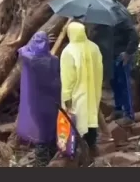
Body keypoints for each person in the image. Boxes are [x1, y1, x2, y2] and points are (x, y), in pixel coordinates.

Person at [89, 0, 140, 126]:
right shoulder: (108, 13)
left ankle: (129, 115)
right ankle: (118, 110)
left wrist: (128, 53)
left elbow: (134, 35)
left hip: (121, 55)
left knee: (124, 84)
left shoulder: (120, 13)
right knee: (115, 84)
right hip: (110, 55)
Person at [16, 31, 61, 167]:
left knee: (41, 132)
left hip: (38, 102)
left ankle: (42, 162)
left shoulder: (32, 60)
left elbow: (21, 50)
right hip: (54, 100)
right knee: (52, 129)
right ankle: (54, 158)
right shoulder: (55, 60)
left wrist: (32, 43)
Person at [60, 21, 103, 157]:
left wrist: (67, 98)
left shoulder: (68, 51)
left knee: (76, 121)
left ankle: (77, 151)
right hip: (93, 91)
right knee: (91, 117)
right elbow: (100, 69)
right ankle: (92, 147)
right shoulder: (94, 47)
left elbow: (68, 78)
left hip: (77, 93)